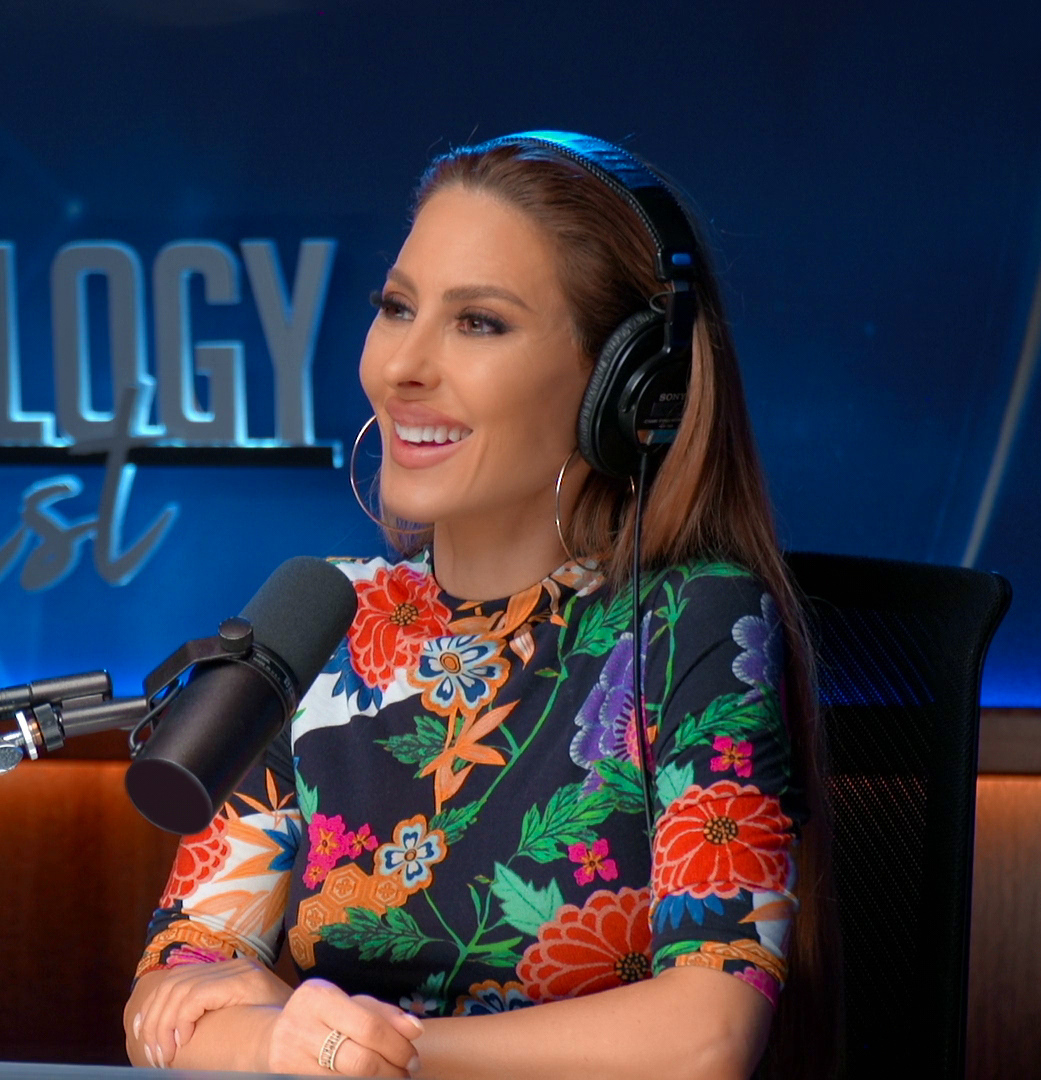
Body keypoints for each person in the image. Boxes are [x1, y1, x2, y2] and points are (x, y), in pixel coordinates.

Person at [122, 133, 832, 1079]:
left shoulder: (694, 622)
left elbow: (706, 1036)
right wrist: (273, 1039)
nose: (402, 367)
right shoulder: (324, 615)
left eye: (479, 323)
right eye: (396, 308)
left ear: (625, 386)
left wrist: (358, 1053)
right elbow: (171, 998)